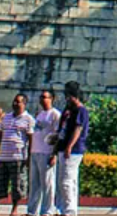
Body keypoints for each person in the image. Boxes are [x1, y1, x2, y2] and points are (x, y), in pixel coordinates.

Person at [0, 94, 33, 216]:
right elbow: (0, 135)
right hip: (3, 157)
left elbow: (31, 139)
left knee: (17, 186)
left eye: (18, 102)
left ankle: (14, 210)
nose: (15, 104)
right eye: (14, 101)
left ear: (24, 104)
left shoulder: (28, 119)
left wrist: (29, 157)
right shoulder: (6, 117)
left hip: (18, 157)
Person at [52, 82, 89, 216]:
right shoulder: (68, 110)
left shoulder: (81, 111)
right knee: (65, 181)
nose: (66, 98)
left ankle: (69, 211)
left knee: (67, 181)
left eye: (68, 95)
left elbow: (78, 129)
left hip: (74, 150)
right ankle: (64, 208)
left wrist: (69, 146)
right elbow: (62, 129)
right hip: (63, 148)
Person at [26, 90, 60, 216]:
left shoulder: (55, 114)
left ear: (52, 99)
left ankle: (48, 210)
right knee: (34, 184)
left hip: (46, 152)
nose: (42, 99)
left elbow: (57, 135)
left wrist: (54, 154)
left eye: (45, 97)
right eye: (41, 97)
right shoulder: (39, 114)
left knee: (47, 184)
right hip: (35, 151)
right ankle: (32, 211)